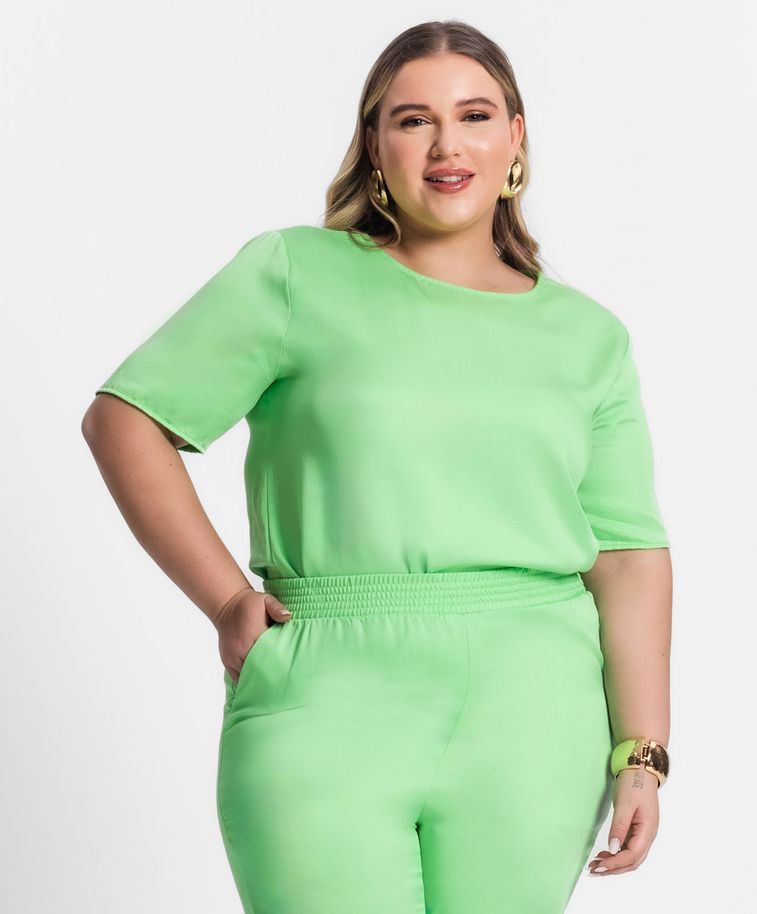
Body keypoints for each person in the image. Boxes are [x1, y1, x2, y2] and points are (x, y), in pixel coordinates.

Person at [82, 19, 672, 914]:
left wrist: (642, 752)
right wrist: (229, 600)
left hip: (536, 710)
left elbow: (626, 556)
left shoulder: (589, 337)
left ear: (516, 136)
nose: (447, 145)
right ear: (374, 143)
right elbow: (126, 420)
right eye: (413, 119)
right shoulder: (296, 273)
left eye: (475, 115)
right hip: (327, 686)